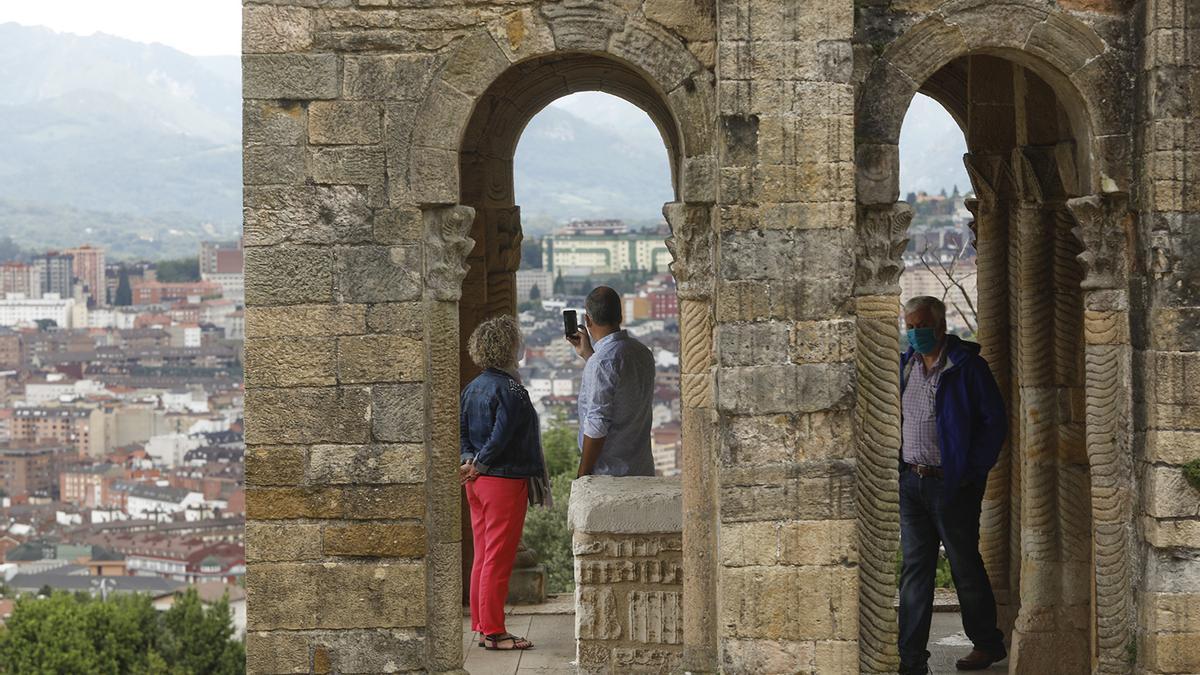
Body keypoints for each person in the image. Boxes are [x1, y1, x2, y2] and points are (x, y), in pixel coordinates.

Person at [897, 296, 1007, 674]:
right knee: (915, 571)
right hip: (912, 481)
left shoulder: (967, 367)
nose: (915, 332)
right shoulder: (905, 366)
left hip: (952, 484)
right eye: (910, 325)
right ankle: (912, 659)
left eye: (921, 324)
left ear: (940, 326)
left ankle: (986, 644)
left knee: (964, 566)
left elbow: (994, 422)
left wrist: (972, 472)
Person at [459, 315, 550, 651]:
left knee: (483, 555)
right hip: (504, 479)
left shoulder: (472, 387)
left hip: (477, 482)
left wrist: (469, 463)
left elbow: (464, 433)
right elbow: (502, 434)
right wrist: (482, 462)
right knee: (498, 557)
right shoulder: (512, 388)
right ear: (509, 347)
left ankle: (483, 626)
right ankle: (496, 632)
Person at [567, 286, 656, 477]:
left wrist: (583, 474)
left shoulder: (601, 362)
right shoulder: (642, 352)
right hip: (641, 469)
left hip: (610, 474)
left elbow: (597, 424)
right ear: (620, 317)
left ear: (588, 320)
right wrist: (588, 355)